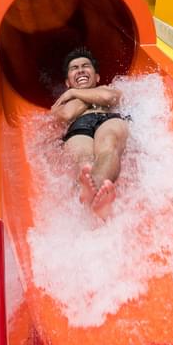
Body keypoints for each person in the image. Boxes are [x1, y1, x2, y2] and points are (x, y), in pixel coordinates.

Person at [51, 48, 129, 219]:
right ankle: (96, 198)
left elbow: (109, 97)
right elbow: (67, 114)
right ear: (67, 82)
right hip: (78, 126)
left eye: (86, 66)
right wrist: (94, 96)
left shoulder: (109, 88)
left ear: (98, 77)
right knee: (83, 157)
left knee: (109, 143)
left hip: (108, 119)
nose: (80, 70)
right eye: (74, 68)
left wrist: (72, 93)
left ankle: (96, 191)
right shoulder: (61, 105)